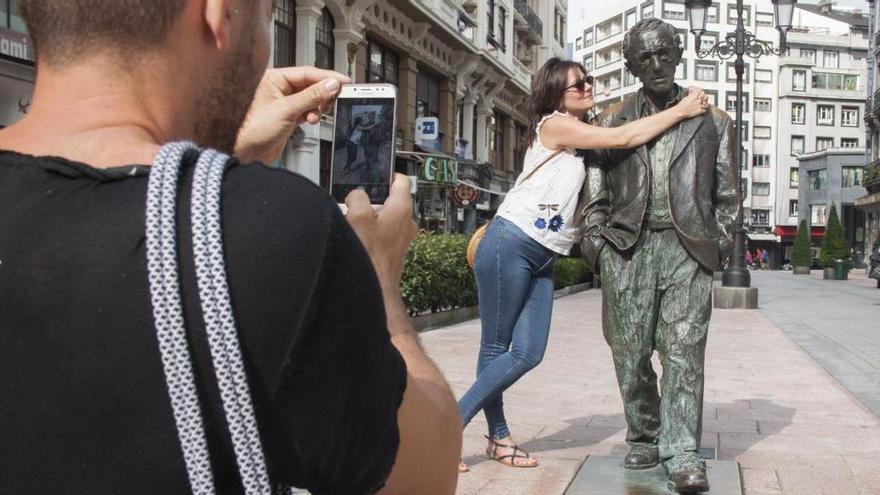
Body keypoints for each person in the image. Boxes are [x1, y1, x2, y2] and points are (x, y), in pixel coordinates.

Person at [0, 1, 460, 494]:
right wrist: (379, 276)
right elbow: (423, 478)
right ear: (218, 13)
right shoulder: (277, 232)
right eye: (265, 16)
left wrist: (216, 152)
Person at [457, 56, 707, 472]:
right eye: (578, 85)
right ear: (557, 94)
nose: (588, 87)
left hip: (543, 256)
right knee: (497, 347)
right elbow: (625, 136)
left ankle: (486, 433)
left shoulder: (581, 138)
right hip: (511, 241)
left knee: (528, 352)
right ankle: (471, 430)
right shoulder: (554, 125)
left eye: (589, 80)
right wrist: (680, 110)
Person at [577, 18, 738, 493]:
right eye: (645, 57)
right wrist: (598, 249)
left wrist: (717, 246)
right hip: (628, 248)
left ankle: (683, 448)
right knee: (630, 353)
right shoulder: (611, 122)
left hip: (687, 249)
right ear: (630, 66)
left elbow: (727, 195)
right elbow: (595, 196)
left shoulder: (714, 121)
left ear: (678, 53)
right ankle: (644, 433)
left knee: (684, 351)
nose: (657, 64)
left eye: (664, 53)